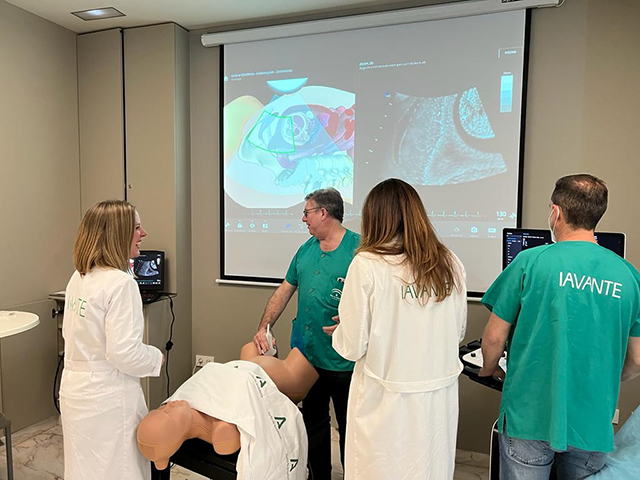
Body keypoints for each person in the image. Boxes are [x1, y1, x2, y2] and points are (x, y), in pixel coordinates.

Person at [479, 174, 640, 480]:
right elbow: (638, 358)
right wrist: (606, 379)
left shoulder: (530, 261)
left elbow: (494, 338)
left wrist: (489, 370)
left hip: (529, 418)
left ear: (556, 212)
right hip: (591, 422)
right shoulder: (629, 276)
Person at [332, 178, 468, 479]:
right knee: (430, 468)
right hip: (436, 402)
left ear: (374, 218)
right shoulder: (450, 262)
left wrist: (345, 328)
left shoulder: (368, 264)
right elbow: (456, 331)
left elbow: (352, 346)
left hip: (386, 406)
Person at [253, 187, 360, 479]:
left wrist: (353, 321)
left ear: (323, 213)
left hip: (344, 360)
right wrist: (264, 326)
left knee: (350, 428)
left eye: (307, 212)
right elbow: (284, 291)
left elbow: (377, 300)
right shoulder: (306, 249)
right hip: (307, 356)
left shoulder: (359, 250)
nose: (303, 219)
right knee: (313, 423)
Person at [60, 200, 164, 480]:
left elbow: (71, 333)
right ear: (118, 233)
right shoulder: (121, 284)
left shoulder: (79, 277)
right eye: (137, 227)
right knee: (118, 469)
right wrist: (156, 357)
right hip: (108, 398)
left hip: (76, 391)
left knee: (83, 469)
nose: (143, 233)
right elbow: (124, 353)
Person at [137, 342, 319, 479]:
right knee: (304, 355)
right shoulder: (222, 433)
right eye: (167, 414)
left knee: (251, 347)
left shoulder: (187, 404)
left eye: (162, 408)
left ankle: (269, 354)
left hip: (239, 369)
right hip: (256, 377)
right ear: (175, 434)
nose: (169, 405)